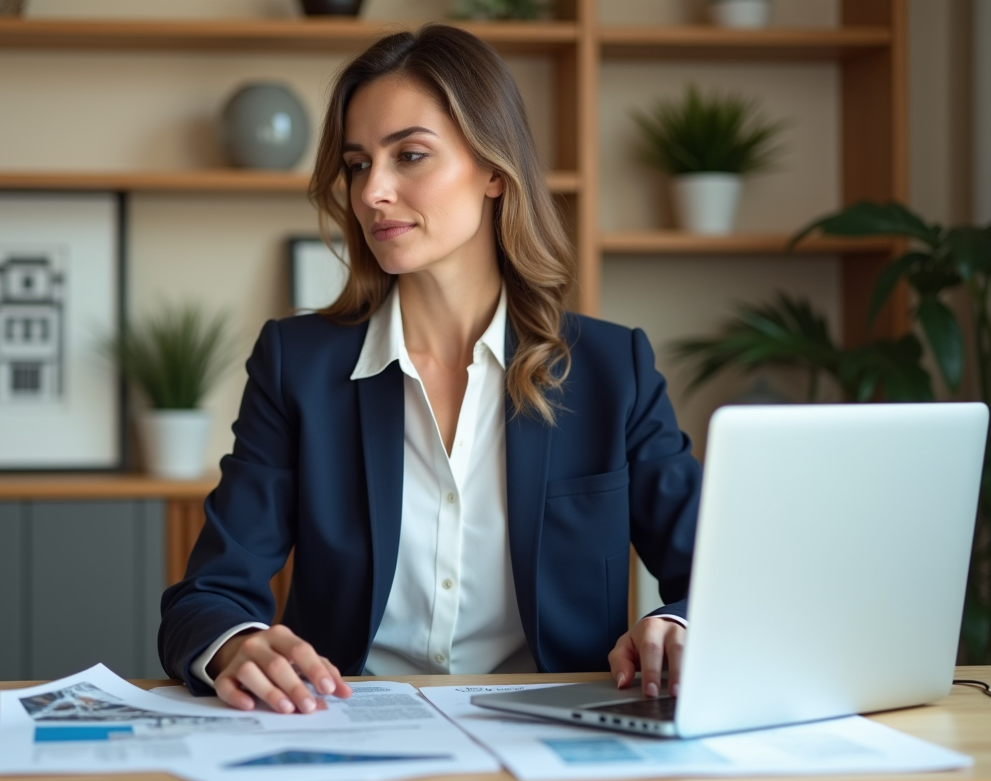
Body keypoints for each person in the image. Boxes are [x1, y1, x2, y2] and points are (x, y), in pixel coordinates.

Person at [158, 24, 700, 715]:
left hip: (558, 742)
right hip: (344, 733)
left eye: (409, 155)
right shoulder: (297, 365)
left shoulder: (608, 368)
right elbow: (206, 596)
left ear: (495, 171)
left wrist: (675, 626)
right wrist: (237, 646)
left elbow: (719, 576)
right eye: (357, 164)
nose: (373, 192)